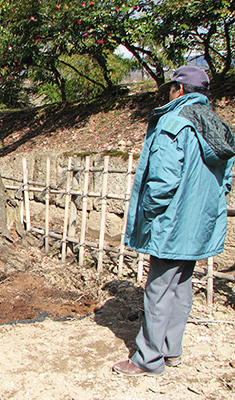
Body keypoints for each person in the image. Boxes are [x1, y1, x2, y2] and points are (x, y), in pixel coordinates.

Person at [113, 66, 235, 376]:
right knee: (181, 285)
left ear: (178, 89)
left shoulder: (174, 122)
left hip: (172, 222)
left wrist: (152, 213)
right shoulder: (219, 126)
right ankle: (171, 350)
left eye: (171, 88)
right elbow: (226, 181)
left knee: (158, 288)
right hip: (200, 224)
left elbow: (162, 180)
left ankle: (147, 359)